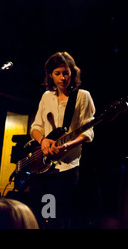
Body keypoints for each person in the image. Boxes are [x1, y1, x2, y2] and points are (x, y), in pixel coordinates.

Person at [28, 51, 96, 229]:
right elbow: (35, 127)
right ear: (50, 75)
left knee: (58, 219)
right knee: (38, 217)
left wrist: (67, 145)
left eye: (66, 73)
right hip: (42, 166)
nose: (63, 78)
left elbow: (88, 132)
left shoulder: (82, 96)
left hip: (67, 167)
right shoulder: (46, 96)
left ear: (72, 72)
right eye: (57, 73)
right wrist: (42, 141)